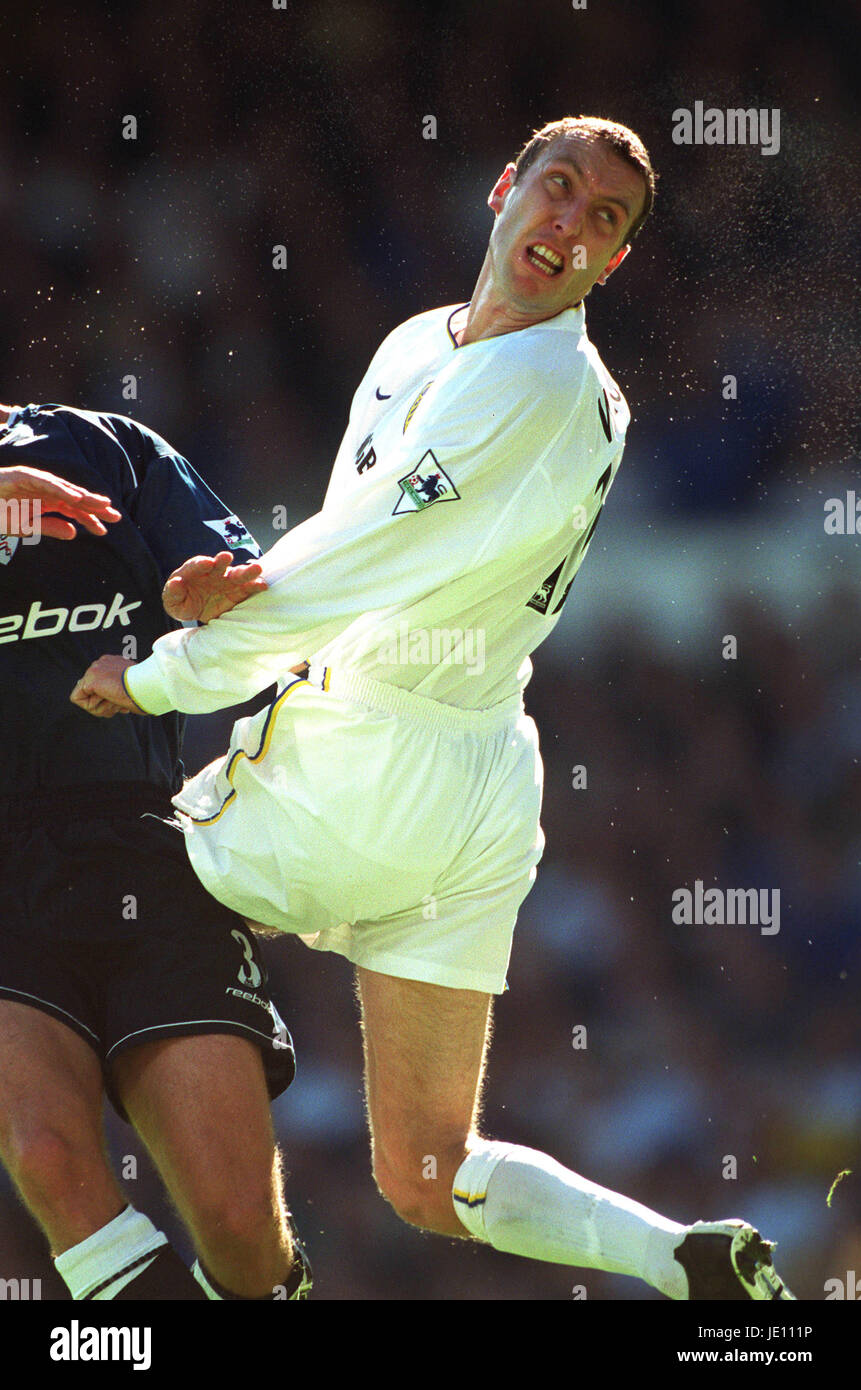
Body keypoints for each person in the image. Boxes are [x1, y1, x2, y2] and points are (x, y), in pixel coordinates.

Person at [72, 117, 793, 1299]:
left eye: (602, 220)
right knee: (425, 1168)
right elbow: (346, 546)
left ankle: (167, 1282)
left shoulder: (539, 389)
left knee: (77, 895)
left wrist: (159, 671)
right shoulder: (425, 345)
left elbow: (348, 576)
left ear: (613, 264)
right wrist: (236, 586)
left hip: (372, 764)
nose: (569, 223)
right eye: (557, 191)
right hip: (479, 785)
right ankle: (677, 1260)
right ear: (504, 191)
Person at [0, 403, 310, 1301]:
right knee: (49, 1158)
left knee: (244, 1225)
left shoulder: (103, 447)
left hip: (142, 842)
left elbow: (244, 597)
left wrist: (201, 597)